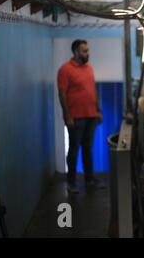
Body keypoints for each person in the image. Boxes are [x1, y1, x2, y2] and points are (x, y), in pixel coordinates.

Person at [57, 39, 104, 194]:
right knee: (74, 149)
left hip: (91, 116)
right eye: (84, 51)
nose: (87, 53)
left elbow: (93, 91)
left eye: (88, 50)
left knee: (88, 149)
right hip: (76, 118)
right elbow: (62, 94)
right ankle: (71, 183)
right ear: (76, 52)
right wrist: (67, 116)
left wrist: (98, 110)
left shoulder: (89, 68)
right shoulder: (65, 70)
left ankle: (89, 179)